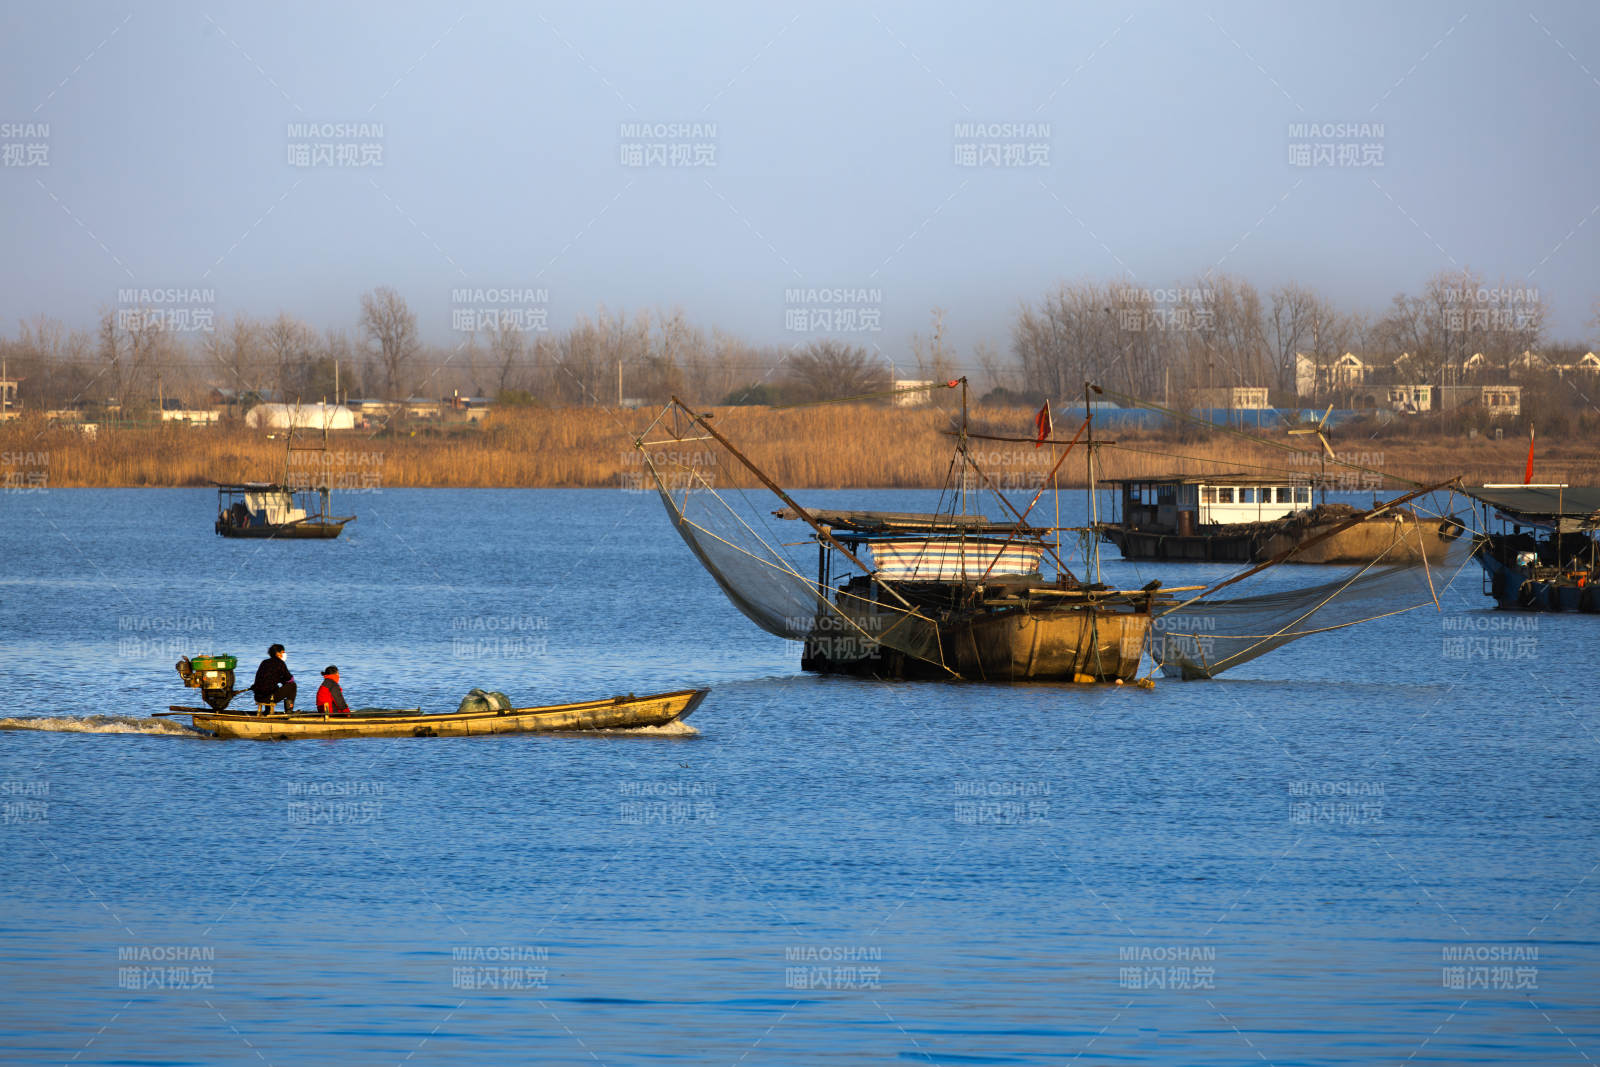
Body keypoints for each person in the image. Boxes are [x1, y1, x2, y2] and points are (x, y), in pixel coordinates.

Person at [250, 643, 296, 714]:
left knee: (271, 686)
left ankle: (267, 711)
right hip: (268, 698)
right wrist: (285, 681)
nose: (284, 654)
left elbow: (268, 678)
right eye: (283, 652)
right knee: (292, 686)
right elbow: (289, 679)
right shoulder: (280, 663)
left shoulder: (264, 662)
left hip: (258, 696)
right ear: (277, 653)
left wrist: (281, 680)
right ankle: (289, 711)